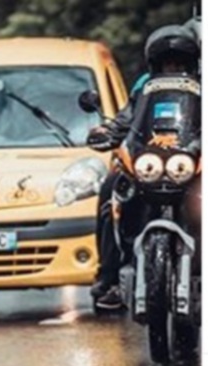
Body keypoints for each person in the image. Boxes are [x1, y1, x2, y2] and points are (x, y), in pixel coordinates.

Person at [88, 24, 200, 309]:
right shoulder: (143, 86)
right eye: (166, 63)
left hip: (190, 160)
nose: (172, 67)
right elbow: (127, 118)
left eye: (179, 62)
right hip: (148, 161)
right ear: (155, 64)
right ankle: (109, 276)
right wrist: (107, 131)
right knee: (111, 190)